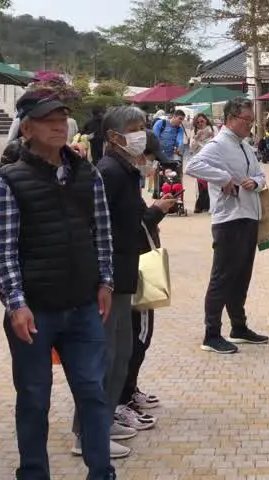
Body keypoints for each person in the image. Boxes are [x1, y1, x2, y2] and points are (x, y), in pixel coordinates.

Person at [0, 90, 120, 476]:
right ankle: (33, 472)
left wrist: (105, 282)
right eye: (48, 119)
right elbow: (3, 249)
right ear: (27, 128)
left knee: (93, 393)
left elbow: (102, 232)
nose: (59, 125)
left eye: (62, 117)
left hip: (83, 307)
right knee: (33, 398)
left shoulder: (86, 173)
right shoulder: (8, 181)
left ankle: (101, 471)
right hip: (35, 311)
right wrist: (15, 302)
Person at [87, 105, 176, 441]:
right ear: (114, 136)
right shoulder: (109, 172)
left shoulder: (124, 172)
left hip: (125, 271)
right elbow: (105, 226)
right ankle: (98, 422)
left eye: (143, 126)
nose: (142, 133)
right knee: (111, 351)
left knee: (121, 348)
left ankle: (108, 414)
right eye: (136, 127)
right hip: (114, 274)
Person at [184, 97, 269, 354]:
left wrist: (255, 182)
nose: (250, 126)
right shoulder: (219, 144)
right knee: (222, 277)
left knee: (242, 275)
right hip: (229, 219)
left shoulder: (244, 145)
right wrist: (224, 179)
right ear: (231, 119)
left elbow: (261, 174)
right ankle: (211, 333)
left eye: (252, 121)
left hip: (249, 215)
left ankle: (239, 326)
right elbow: (193, 166)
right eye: (247, 121)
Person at [120, 130, 170, 417]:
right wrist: (157, 210)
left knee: (138, 335)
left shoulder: (126, 177)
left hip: (134, 263)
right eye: (149, 158)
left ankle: (129, 389)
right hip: (134, 266)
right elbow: (133, 224)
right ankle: (124, 395)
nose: (150, 164)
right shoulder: (119, 177)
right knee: (138, 335)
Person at [151, 110, 187, 199]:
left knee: (172, 173)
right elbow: (155, 136)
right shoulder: (161, 123)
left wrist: (179, 147)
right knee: (159, 173)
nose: (181, 121)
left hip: (171, 154)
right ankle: (157, 191)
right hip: (158, 153)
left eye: (182, 120)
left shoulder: (179, 129)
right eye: (180, 119)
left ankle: (173, 192)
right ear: (174, 116)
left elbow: (180, 139)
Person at [188, 113, 215, 214]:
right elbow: (191, 148)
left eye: (202, 121)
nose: (200, 123)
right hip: (199, 159)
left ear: (206, 120)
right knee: (201, 183)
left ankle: (209, 205)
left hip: (211, 159)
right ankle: (200, 205)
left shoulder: (213, 130)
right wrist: (196, 138)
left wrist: (212, 137)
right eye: (198, 122)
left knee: (210, 182)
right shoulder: (194, 132)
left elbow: (218, 144)